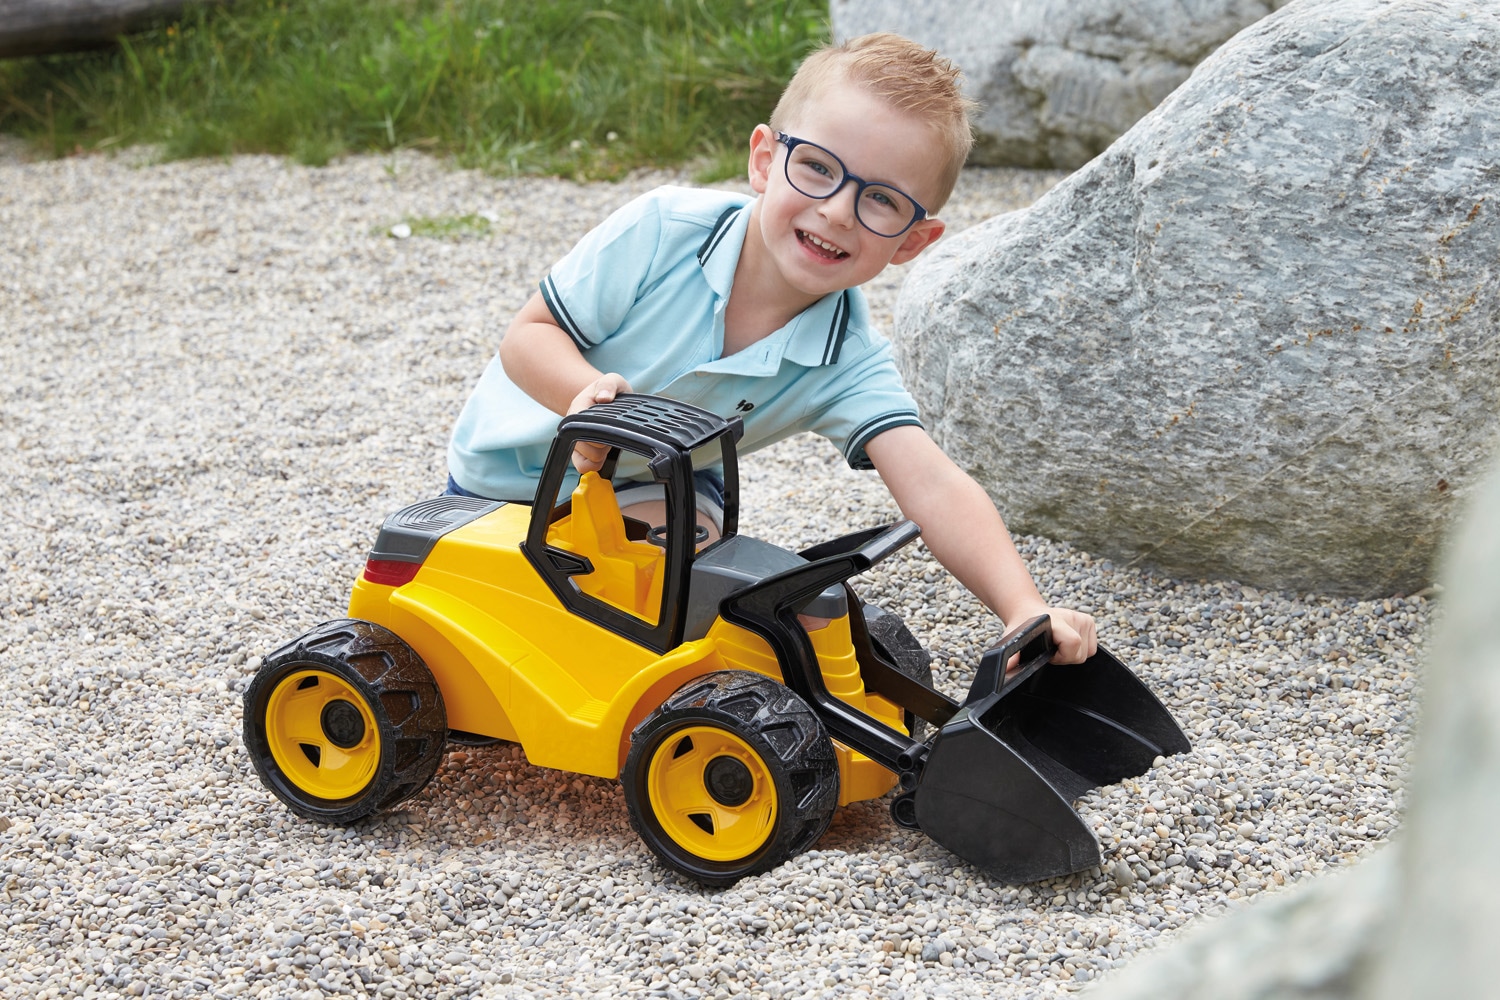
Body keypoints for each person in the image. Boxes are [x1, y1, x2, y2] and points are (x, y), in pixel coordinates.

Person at [445, 33, 1098, 664]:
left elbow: (933, 485)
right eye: (817, 167)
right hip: (500, 483)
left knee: (691, 588)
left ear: (911, 242)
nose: (837, 211)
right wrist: (583, 398)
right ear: (764, 160)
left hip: (648, 490)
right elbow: (528, 336)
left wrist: (1022, 607)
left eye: (881, 200)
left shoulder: (847, 359)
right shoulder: (662, 231)